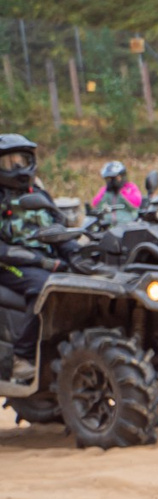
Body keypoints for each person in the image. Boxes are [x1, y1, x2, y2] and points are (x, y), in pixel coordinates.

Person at [0, 135, 68, 380]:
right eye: (8, 162)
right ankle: (20, 357)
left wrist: (79, 255)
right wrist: (39, 261)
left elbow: (59, 227)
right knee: (45, 288)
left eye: (21, 160)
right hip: (10, 264)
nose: (17, 168)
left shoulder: (38, 191)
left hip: (45, 259)